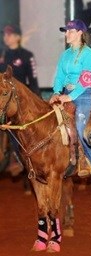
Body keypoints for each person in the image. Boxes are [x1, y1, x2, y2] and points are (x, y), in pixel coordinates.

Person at [49, 19, 91, 177]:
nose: (66, 34)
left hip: (83, 95)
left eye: (70, 31)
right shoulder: (65, 54)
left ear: (80, 33)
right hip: (65, 94)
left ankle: (89, 160)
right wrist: (57, 92)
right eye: (66, 31)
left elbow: (86, 80)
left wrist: (69, 97)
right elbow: (59, 76)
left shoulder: (90, 55)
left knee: (80, 124)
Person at [0, 24, 41, 177]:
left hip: (20, 101)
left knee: (19, 129)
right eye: (5, 34)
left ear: (18, 37)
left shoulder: (26, 55)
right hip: (2, 99)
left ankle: (19, 158)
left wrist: (38, 102)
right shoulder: (1, 55)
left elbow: (33, 81)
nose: (6, 37)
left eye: (9, 34)